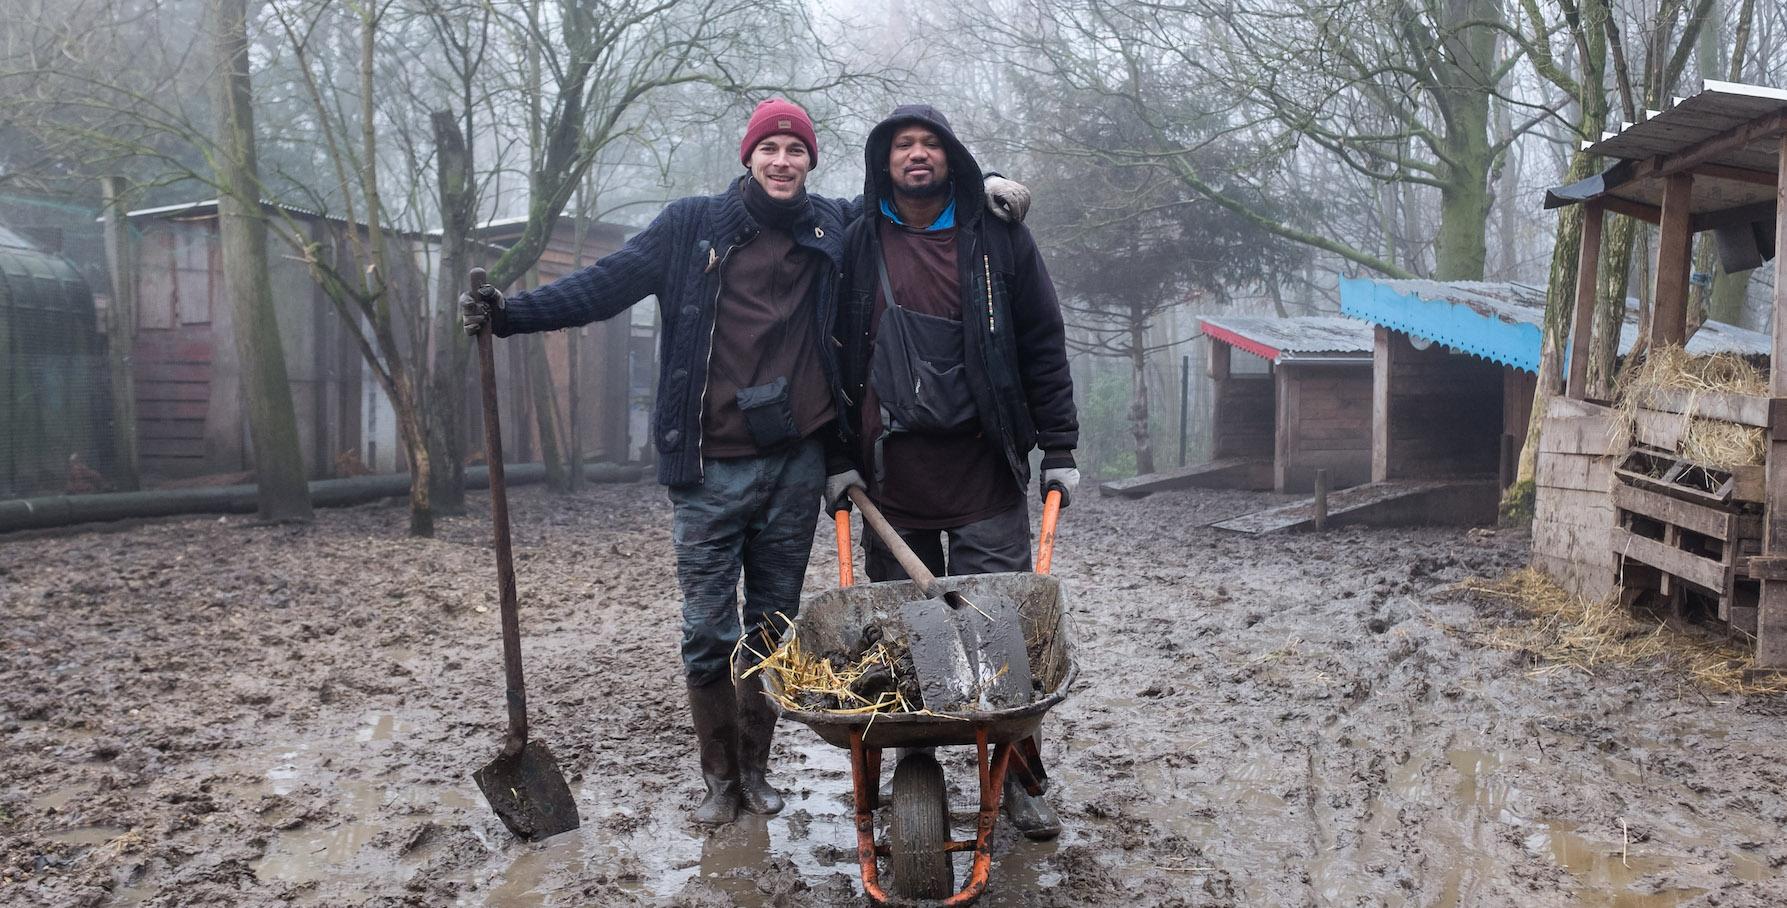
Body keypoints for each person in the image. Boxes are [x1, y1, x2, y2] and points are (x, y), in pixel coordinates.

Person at [460, 99, 1032, 827]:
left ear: (810, 163)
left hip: (795, 467)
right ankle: (717, 779)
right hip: (707, 470)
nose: (783, 161)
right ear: (748, 157)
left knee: (769, 629)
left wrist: (985, 186)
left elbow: (905, 199)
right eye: (771, 149)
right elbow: (603, 286)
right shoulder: (688, 227)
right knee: (707, 631)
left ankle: (756, 775)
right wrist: (511, 315)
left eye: (797, 150)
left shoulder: (829, 226)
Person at [828, 104, 1078, 839]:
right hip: (886, 484)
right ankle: (909, 768)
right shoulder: (853, 239)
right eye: (902, 145)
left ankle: (1021, 776)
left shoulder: (996, 237)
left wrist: (1058, 446)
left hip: (982, 474)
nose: (915, 155)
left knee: (998, 634)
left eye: (929, 144)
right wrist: (834, 457)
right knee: (909, 640)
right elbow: (829, 348)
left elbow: (1042, 341)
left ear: (952, 158)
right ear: (884, 162)